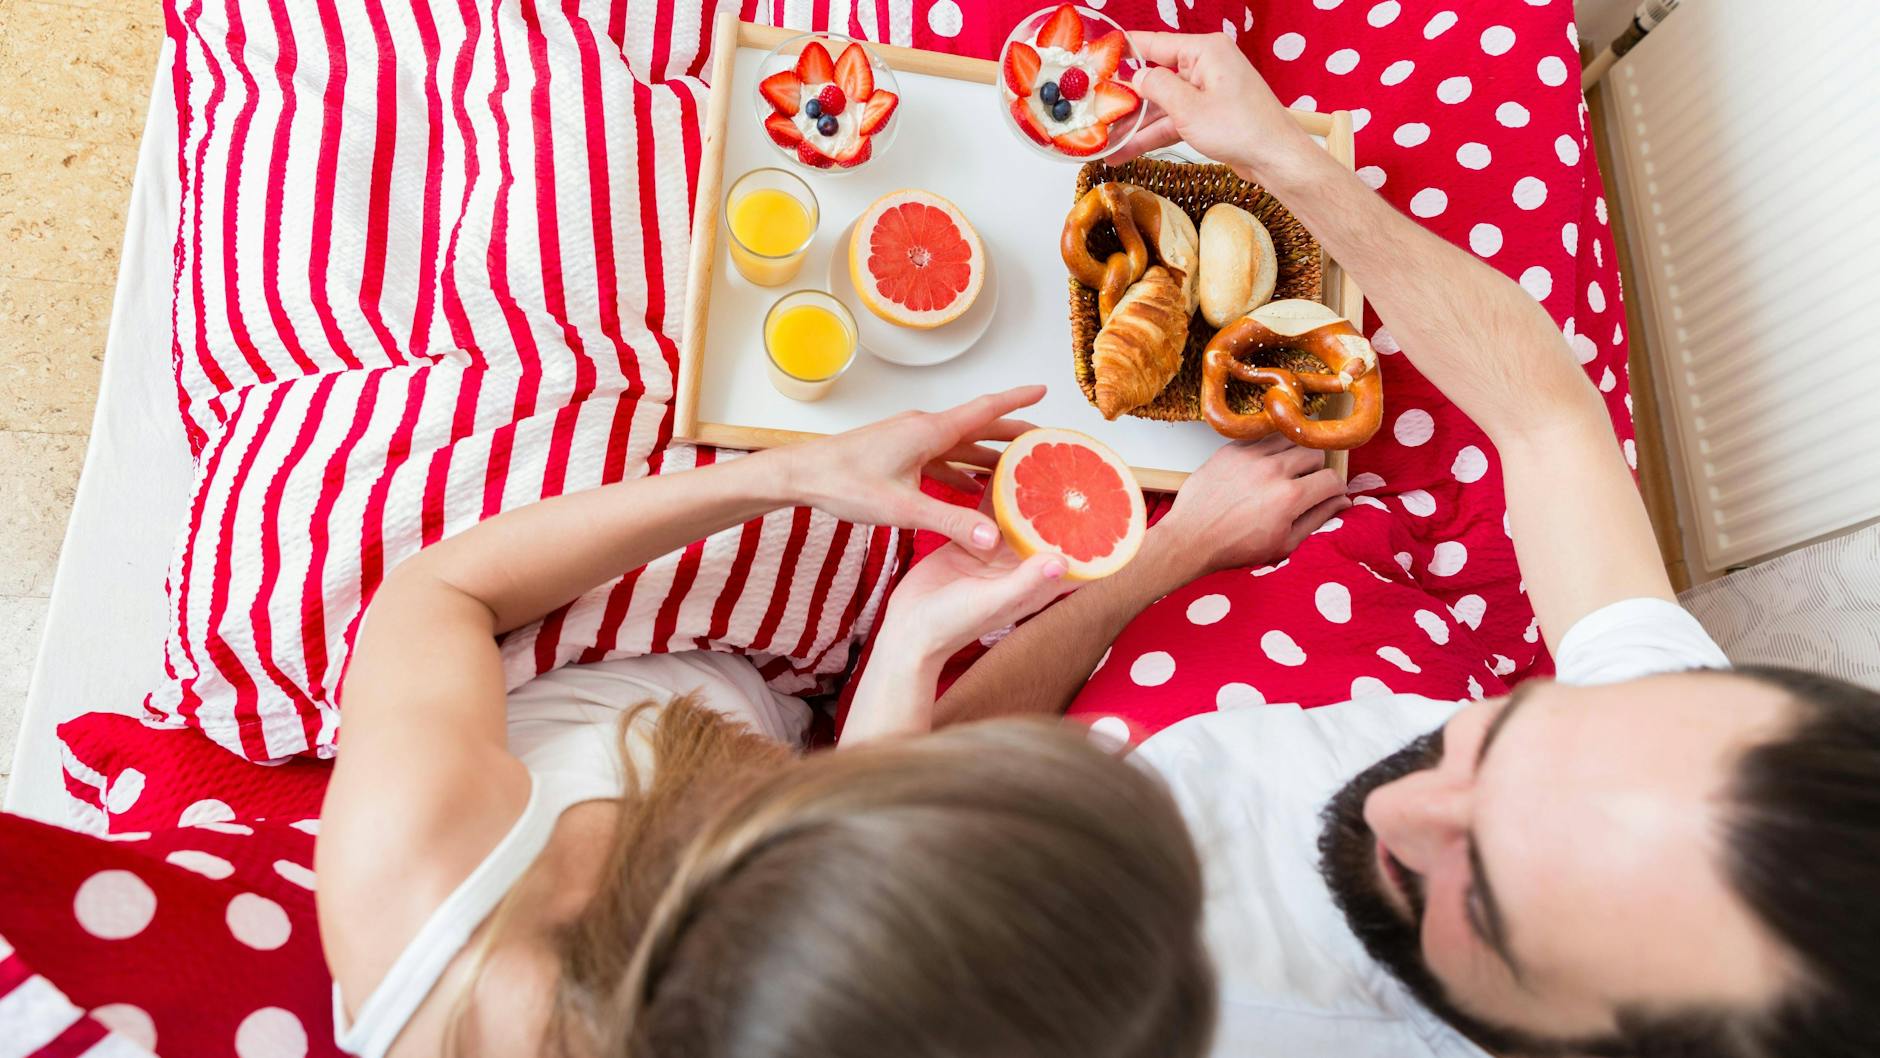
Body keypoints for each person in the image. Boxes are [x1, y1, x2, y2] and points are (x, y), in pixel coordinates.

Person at [932, 32, 1880, 1058]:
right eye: (1500, 730)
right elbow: (1545, 415)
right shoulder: (1679, 781)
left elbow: (902, 792)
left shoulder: (1109, 994)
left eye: (1472, 895)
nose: (1402, 792)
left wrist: (1155, 566)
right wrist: (1278, 152)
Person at [313, 392, 1230, 1058]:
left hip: (567, 652)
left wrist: (793, 474)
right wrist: (1168, 559)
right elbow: (863, 801)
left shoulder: (419, 887)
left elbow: (442, 591)